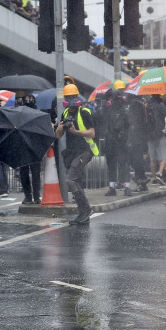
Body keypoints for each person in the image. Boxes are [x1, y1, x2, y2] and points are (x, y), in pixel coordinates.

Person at [55, 84, 98, 225]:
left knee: (70, 180)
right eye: (68, 97)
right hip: (73, 152)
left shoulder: (85, 112)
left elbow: (92, 133)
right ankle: (83, 214)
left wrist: (75, 131)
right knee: (77, 181)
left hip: (85, 150)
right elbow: (58, 135)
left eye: (73, 97)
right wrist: (60, 128)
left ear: (77, 97)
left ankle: (86, 209)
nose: (71, 99)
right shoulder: (66, 113)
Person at [102, 88, 132, 196]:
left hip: (121, 141)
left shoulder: (124, 110)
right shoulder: (109, 110)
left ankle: (126, 187)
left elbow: (128, 126)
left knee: (123, 164)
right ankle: (113, 187)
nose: (109, 100)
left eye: (111, 97)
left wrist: (126, 137)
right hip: (112, 141)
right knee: (113, 165)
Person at [19, 94, 42, 204]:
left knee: (25, 173)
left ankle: (28, 197)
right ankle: (36, 197)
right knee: (35, 173)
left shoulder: (20, 114)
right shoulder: (38, 114)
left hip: (24, 147)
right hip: (34, 147)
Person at [145, 94, 166, 187]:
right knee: (164, 156)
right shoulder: (161, 105)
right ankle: (160, 173)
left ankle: (153, 177)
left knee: (152, 158)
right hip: (160, 133)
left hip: (150, 135)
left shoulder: (147, 105)